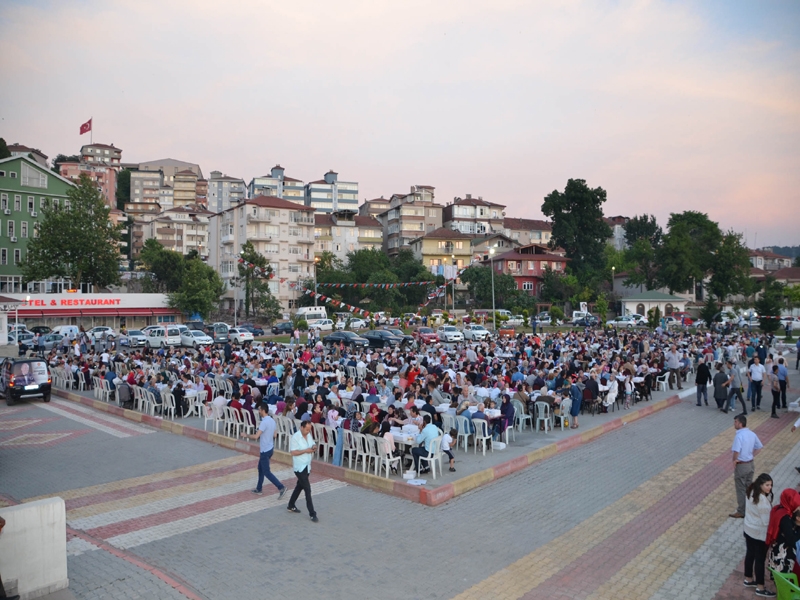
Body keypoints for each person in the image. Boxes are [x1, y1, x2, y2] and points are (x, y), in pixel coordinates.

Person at [243, 404, 287, 498]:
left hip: (265, 450)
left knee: (266, 472)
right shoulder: (272, 421)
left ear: (263, 410)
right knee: (260, 468)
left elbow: (256, 436)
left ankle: (281, 487)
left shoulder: (264, 423)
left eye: (259, 410)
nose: (259, 412)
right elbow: (275, 435)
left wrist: (246, 435)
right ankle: (259, 488)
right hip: (270, 448)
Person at [742, 473, 774, 596]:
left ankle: (748, 579)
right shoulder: (763, 502)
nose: (769, 487)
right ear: (760, 485)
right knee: (760, 560)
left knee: (750, 553)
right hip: (759, 534)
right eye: (767, 485)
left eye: (770, 485)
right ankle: (760, 587)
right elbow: (766, 522)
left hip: (748, 528)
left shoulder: (750, 491)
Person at [730, 413, 763, 519]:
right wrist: (751, 455)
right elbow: (759, 446)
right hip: (750, 464)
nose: (734, 423)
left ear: (740, 424)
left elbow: (736, 451)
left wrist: (734, 460)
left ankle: (741, 510)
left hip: (742, 465)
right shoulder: (751, 434)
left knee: (740, 488)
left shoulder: (739, 436)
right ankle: (750, 508)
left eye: (735, 422)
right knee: (749, 487)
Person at [767, 489, 800, 592]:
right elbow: (791, 540)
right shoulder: (785, 518)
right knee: (783, 583)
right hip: (783, 556)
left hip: (778, 550)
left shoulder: (781, 509)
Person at [287, 419, 318, 522]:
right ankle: (312, 513)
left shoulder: (308, 435)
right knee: (307, 490)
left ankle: (291, 505)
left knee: (299, 487)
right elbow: (293, 452)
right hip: (299, 468)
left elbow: (312, 442)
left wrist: (314, 446)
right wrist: (305, 450)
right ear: (302, 427)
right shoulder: (296, 437)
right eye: (307, 429)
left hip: (307, 466)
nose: (308, 431)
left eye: (309, 430)